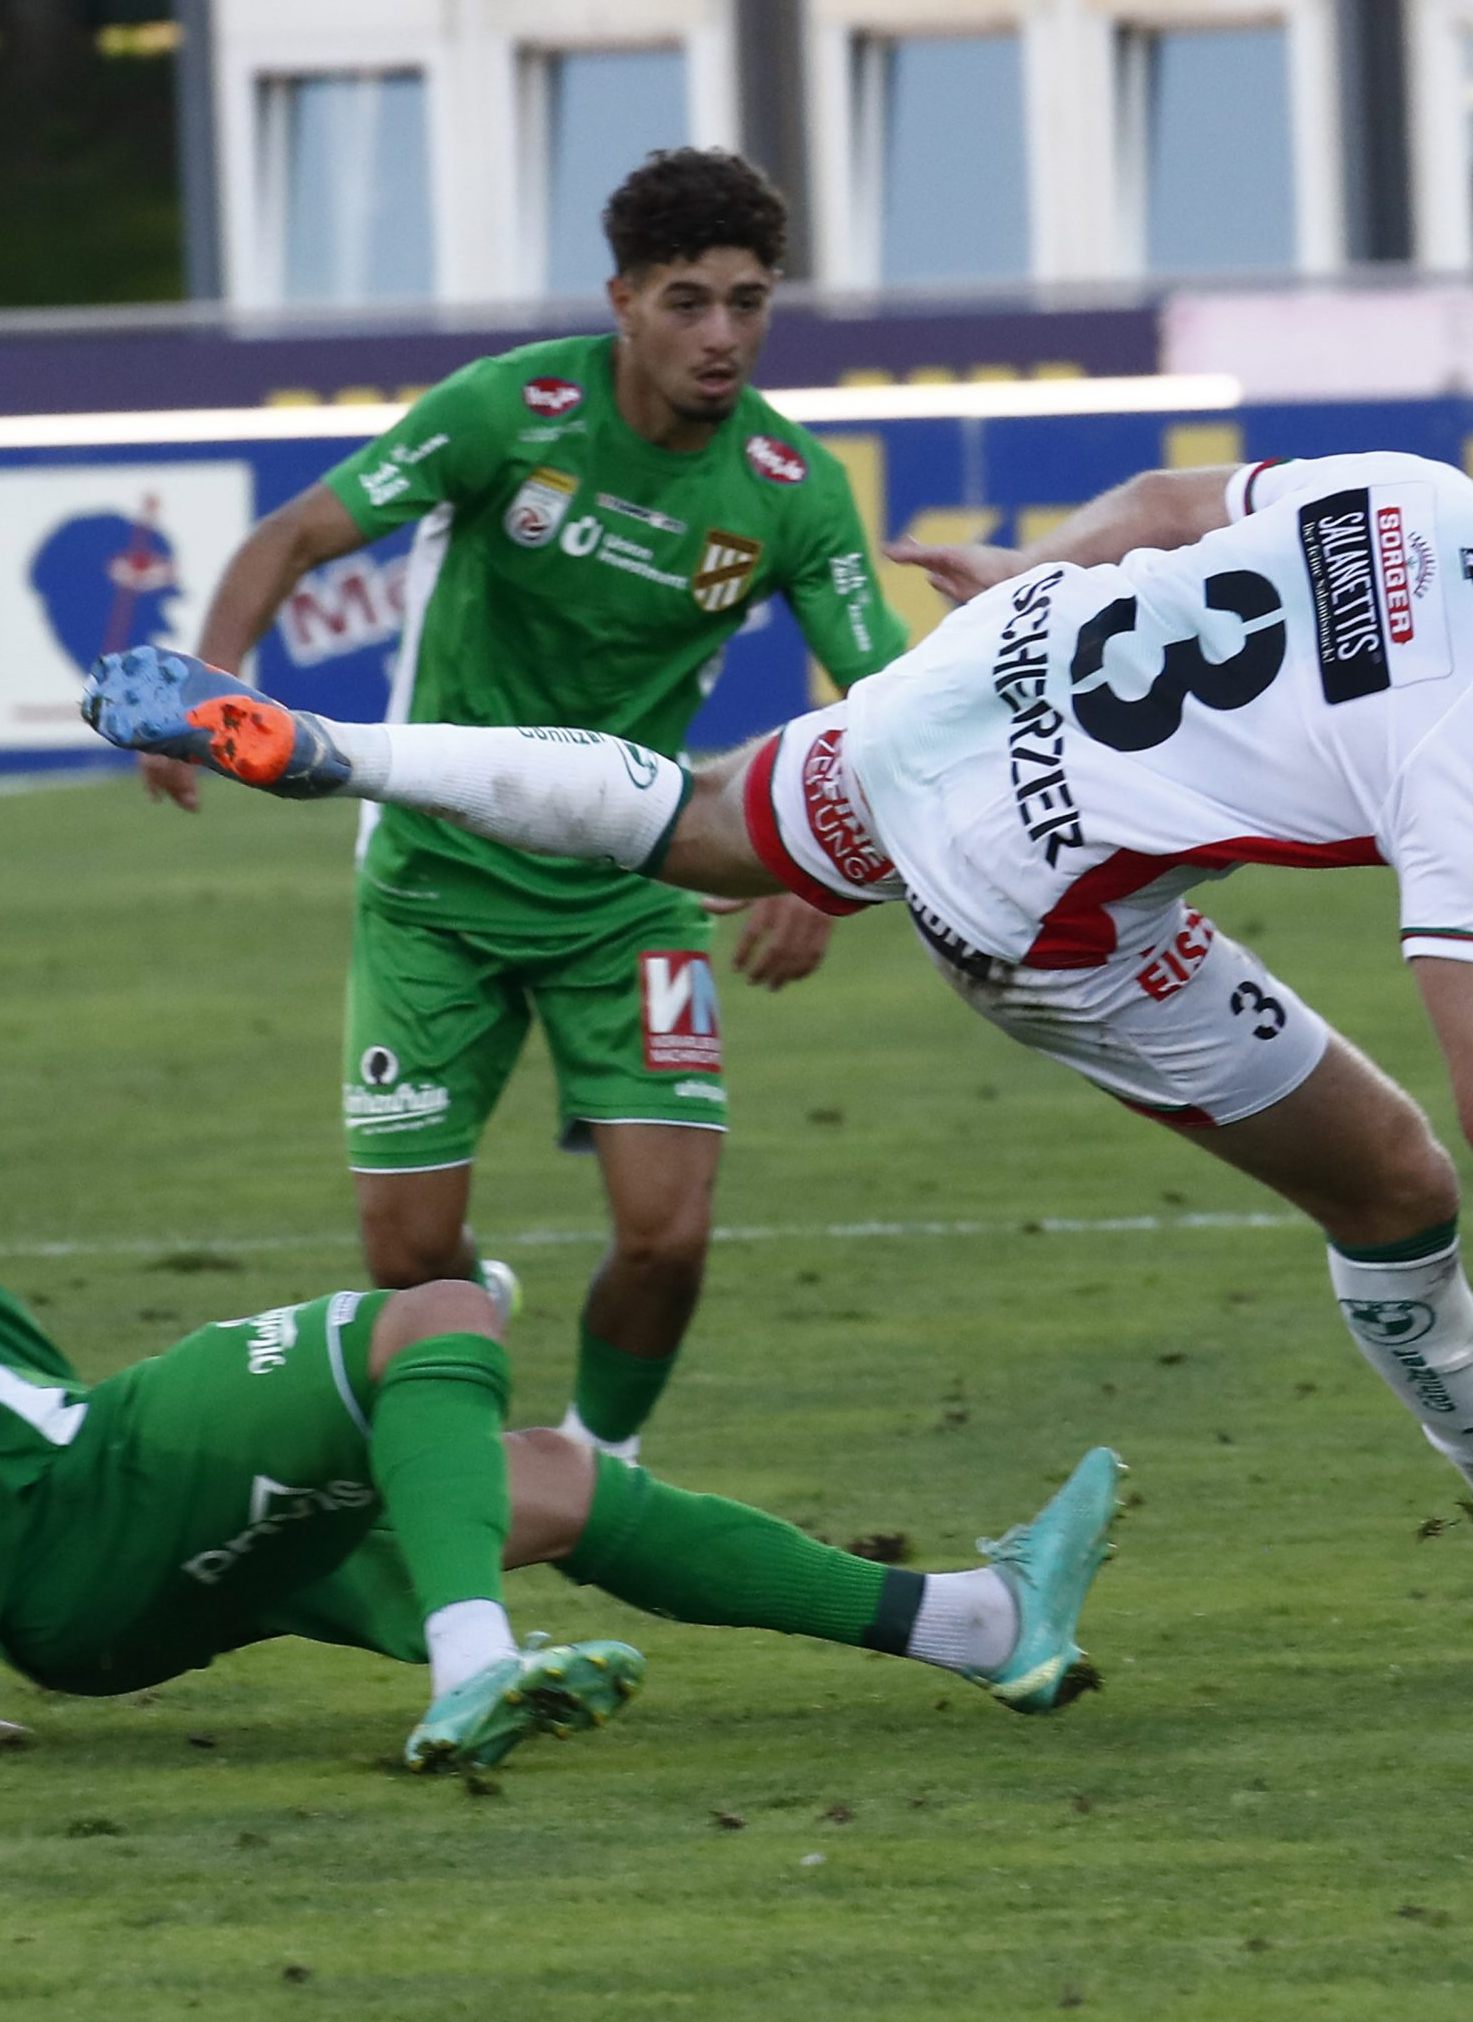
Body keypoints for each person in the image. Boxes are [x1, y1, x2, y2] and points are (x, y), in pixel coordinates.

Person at [82, 445, 1473, 1619]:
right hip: (1046, 905)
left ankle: (320, 744)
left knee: (685, 821)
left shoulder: (1419, 489)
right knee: (1396, 1181)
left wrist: (1018, 581)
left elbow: (1156, 498)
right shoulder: (1467, 748)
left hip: (969, 689)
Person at [131, 148, 909, 1466]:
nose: (721, 336)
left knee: (669, 1232)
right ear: (621, 299)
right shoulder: (513, 410)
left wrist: (814, 869)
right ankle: (467, 1341)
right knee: (411, 1253)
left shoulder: (788, 489)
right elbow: (294, 538)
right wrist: (210, 693)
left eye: (747, 300)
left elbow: (887, 702)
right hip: (437, 877)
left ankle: (599, 1467)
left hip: (630, 883)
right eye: (687, 301)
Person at [0, 1278, 1119, 1773]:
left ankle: (976, 1622)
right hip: (97, 1497)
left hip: (91, 1594)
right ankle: (470, 1668)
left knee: (544, 1474)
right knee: (435, 1318)